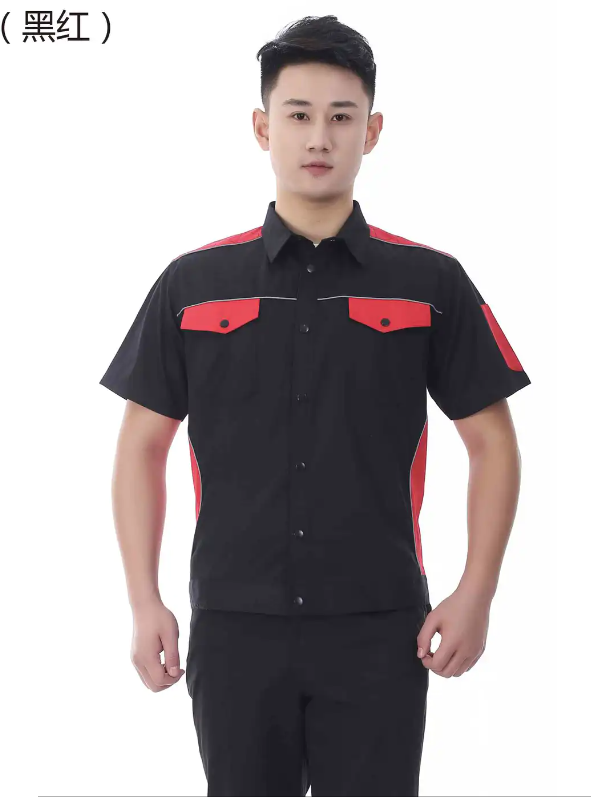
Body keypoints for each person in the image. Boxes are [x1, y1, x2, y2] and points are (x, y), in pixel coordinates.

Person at [99, 14, 531, 796]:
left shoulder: (429, 282)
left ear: (372, 131)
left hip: (379, 627)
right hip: (235, 624)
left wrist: (477, 591)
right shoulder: (192, 284)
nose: (319, 137)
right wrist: (142, 599)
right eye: (297, 114)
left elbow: (493, 442)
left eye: (341, 116)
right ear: (262, 127)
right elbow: (140, 447)